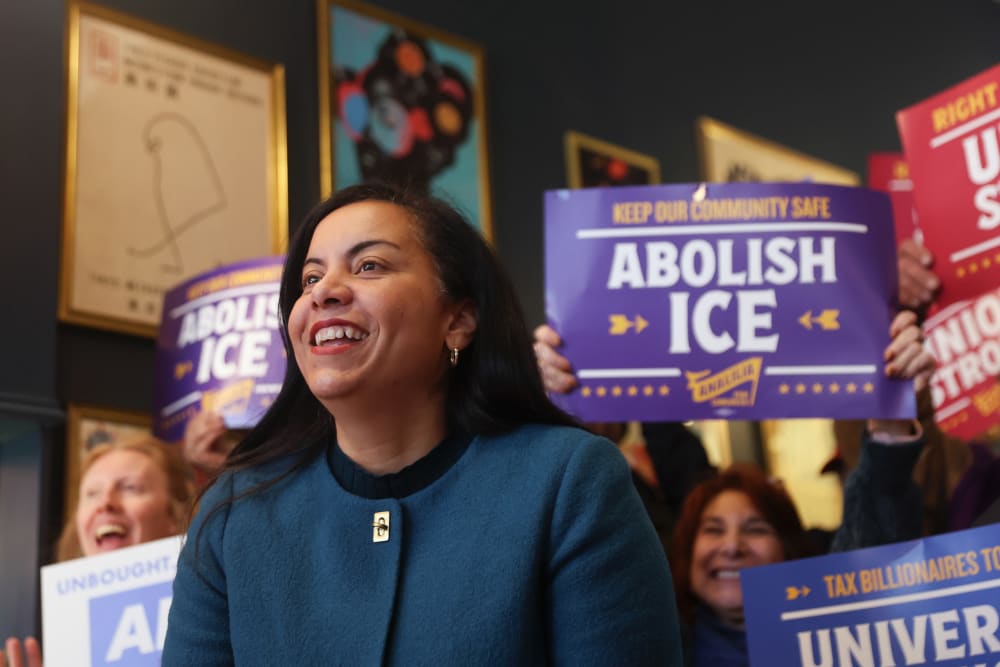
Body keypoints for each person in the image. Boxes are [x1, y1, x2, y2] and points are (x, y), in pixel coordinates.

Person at [162, 183, 684, 665]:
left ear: (458, 320)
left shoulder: (569, 482)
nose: (324, 292)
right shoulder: (232, 514)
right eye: (311, 278)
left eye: (368, 266)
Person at [1, 436, 194, 667]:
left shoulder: (212, 612)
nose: (105, 503)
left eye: (130, 488)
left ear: (175, 514)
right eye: (92, 493)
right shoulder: (62, 639)